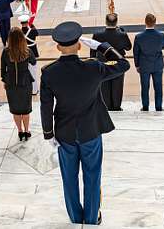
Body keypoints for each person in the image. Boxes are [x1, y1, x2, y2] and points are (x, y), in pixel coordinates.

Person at [40, 21, 130, 225]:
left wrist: (48, 133)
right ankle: (90, 218)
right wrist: (102, 46)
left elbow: (46, 106)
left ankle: (75, 217)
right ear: (80, 46)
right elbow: (123, 65)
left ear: (57, 47)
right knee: (92, 176)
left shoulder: (49, 72)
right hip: (90, 131)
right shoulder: (93, 67)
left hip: (65, 134)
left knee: (69, 178)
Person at [1, 27, 36, 141]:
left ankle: (20, 131)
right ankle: (26, 131)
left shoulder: (6, 52)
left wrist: (5, 80)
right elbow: (33, 61)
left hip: (11, 84)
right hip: (25, 83)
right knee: (25, 110)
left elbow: (3, 70)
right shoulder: (27, 51)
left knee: (16, 110)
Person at [91, 13, 132, 111]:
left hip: (103, 63)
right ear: (116, 22)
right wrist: (122, 32)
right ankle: (116, 106)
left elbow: (93, 51)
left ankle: (107, 106)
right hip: (118, 63)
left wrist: (93, 62)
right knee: (117, 85)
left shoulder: (97, 35)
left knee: (104, 85)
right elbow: (128, 47)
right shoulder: (122, 34)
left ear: (106, 22)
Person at [133, 13, 164, 111]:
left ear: (145, 22)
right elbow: (163, 47)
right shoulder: (161, 35)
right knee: (158, 87)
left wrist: (137, 65)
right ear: (155, 23)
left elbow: (136, 52)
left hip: (144, 65)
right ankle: (159, 107)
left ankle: (145, 106)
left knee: (144, 87)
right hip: (157, 64)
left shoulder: (139, 37)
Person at [19, 14, 39, 94]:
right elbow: (37, 34)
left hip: (24, 51)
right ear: (27, 22)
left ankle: (28, 89)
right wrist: (33, 26)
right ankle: (34, 90)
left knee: (25, 72)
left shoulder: (19, 32)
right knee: (33, 71)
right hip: (33, 51)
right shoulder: (33, 30)